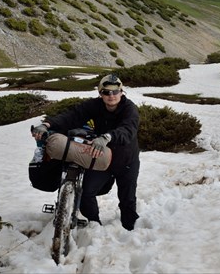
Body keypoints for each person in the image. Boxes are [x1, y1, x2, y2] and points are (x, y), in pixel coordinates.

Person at [32, 74, 140, 231]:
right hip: (100, 157)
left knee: (127, 199)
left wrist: (107, 137)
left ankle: (130, 230)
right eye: (106, 92)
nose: (111, 96)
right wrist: (47, 124)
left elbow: (128, 129)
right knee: (86, 192)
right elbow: (73, 116)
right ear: (100, 93)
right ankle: (95, 226)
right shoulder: (95, 106)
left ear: (121, 92)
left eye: (115, 91)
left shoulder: (129, 109)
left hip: (126, 161)